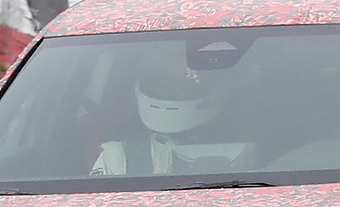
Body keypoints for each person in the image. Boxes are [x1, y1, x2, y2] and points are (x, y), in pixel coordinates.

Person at [91, 62, 254, 177]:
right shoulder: (119, 160)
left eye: (182, 82)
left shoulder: (259, 152)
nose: (167, 90)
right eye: (161, 82)